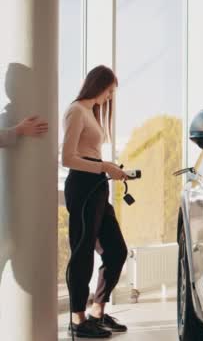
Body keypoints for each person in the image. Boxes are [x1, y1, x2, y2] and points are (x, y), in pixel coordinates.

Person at [62, 65, 129, 338]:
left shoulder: (90, 113)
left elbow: (89, 154)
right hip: (82, 186)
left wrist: (109, 170)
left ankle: (97, 312)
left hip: (97, 187)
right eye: (110, 90)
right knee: (82, 252)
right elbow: (67, 159)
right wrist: (104, 167)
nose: (110, 96)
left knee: (116, 250)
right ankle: (78, 320)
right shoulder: (76, 110)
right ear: (99, 85)